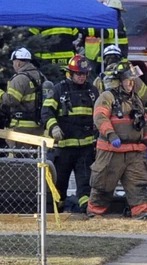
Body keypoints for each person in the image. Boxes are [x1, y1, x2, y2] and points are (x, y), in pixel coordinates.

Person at [87, 61, 147, 220]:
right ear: (119, 81)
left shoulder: (136, 99)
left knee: (138, 184)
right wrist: (111, 135)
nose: (131, 83)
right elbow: (100, 117)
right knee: (103, 184)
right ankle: (95, 213)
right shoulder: (107, 97)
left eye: (133, 80)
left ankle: (142, 213)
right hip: (111, 151)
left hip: (134, 152)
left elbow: (142, 122)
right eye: (128, 80)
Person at [41, 55, 99, 213]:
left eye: (85, 74)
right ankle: (56, 213)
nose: (82, 77)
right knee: (59, 184)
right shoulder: (58, 90)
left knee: (85, 182)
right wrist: (53, 127)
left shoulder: (92, 91)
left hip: (85, 148)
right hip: (64, 148)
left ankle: (86, 211)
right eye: (79, 74)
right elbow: (46, 111)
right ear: (70, 73)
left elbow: (100, 113)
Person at [0, 48, 46, 138]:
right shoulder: (41, 76)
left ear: (18, 63)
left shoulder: (19, 79)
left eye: (13, 62)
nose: (13, 65)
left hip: (21, 128)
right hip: (39, 126)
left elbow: (11, 100)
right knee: (36, 152)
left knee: (19, 152)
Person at [85, 0, 129, 66]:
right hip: (109, 56)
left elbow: (107, 33)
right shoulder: (115, 20)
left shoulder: (116, 22)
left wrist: (86, 30)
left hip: (114, 57)